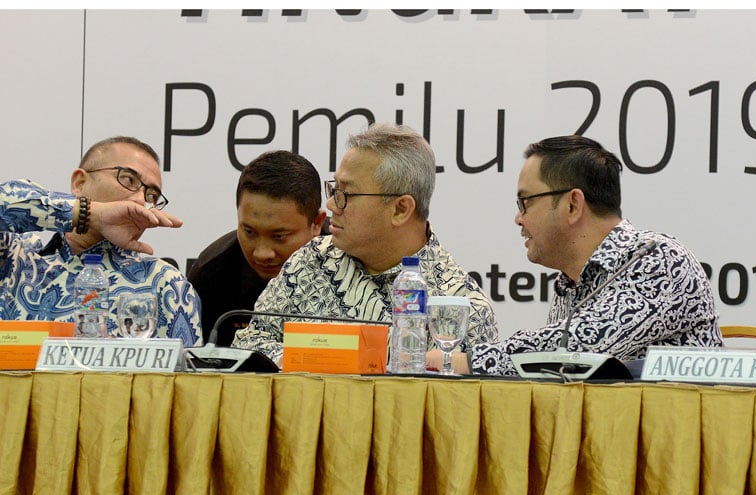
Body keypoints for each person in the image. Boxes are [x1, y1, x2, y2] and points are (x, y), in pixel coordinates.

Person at [427, 135, 723, 376]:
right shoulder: (570, 282)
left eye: (525, 202)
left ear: (573, 205)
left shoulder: (659, 259)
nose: (518, 219)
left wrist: (462, 361)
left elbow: (582, 348)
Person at [232, 122, 499, 364]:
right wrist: (332, 360)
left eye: (345, 194)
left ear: (400, 209)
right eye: (333, 189)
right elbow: (249, 345)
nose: (332, 205)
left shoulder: (459, 307)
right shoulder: (310, 261)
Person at [0, 136, 203, 348]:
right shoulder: (15, 258)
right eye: (128, 180)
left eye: (151, 195)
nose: (140, 201)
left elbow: (187, 369)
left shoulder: (163, 283)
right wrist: (90, 214)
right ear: (79, 183)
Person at [188, 150, 328, 346]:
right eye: (249, 232)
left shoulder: (353, 258)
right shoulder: (211, 275)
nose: (262, 254)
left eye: (279, 236)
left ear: (317, 223)